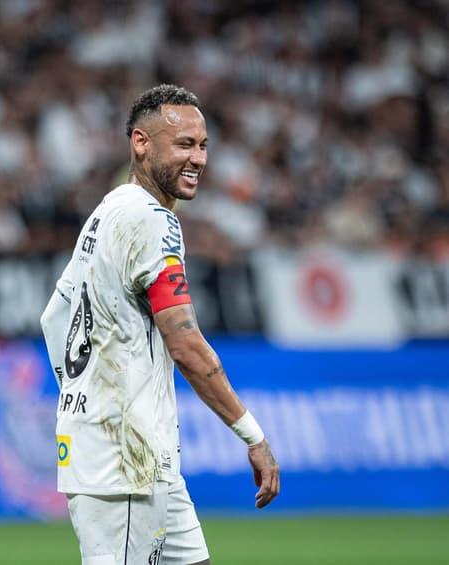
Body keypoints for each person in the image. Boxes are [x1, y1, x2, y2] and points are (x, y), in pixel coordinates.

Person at [40, 84, 280, 565]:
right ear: (141, 143)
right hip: (126, 456)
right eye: (184, 145)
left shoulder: (107, 211)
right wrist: (253, 436)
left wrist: (80, 393)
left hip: (139, 456)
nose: (199, 158)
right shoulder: (152, 221)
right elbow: (185, 343)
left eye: (203, 145)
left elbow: (55, 317)